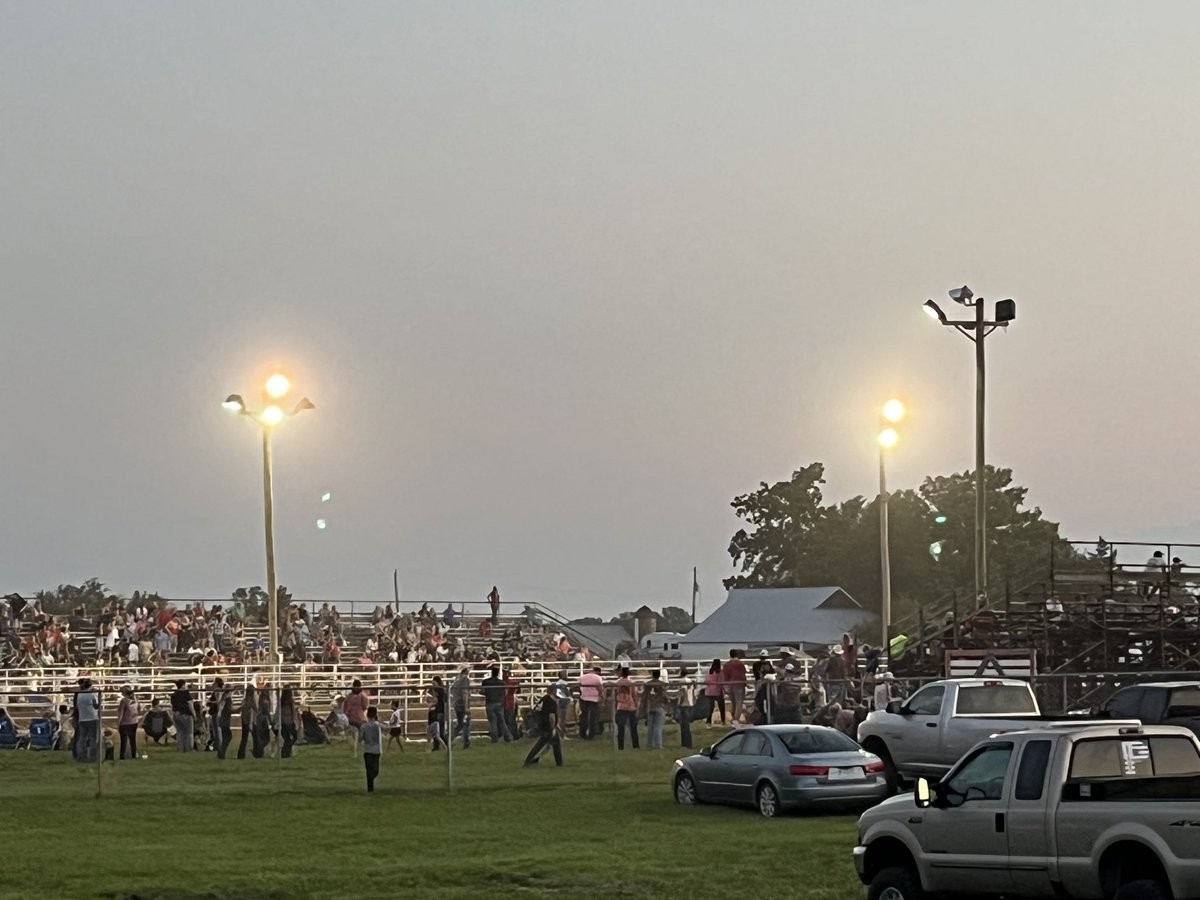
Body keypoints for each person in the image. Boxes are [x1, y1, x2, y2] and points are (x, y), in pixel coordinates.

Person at [522, 682, 563, 767]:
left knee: (555, 743)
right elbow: (551, 717)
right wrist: (553, 728)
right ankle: (529, 760)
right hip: (546, 724)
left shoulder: (544, 698)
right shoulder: (551, 701)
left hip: (539, 721)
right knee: (542, 742)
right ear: (554, 692)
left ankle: (559, 763)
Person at [639, 669, 670, 749]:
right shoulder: (662, 684)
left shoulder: (647, 684)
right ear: (659, 675)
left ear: (652, 675)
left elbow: (644, 696)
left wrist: (643, 706)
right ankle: (658, 744)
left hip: (650, 707)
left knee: (650, 727)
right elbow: (665, 695)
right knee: (657, 727)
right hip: (659, 706)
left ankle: (649, 744)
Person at [481, 666, 512, 743]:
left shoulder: (486, 682)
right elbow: (505, 693)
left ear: (491, 673)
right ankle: (507, 736)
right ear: (498, 673)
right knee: (502, 721)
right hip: (498, 702)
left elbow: (482, 691)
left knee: (493, 721)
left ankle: (495, 738)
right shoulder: (502, 683)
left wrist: (486, 693)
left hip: (490, 702)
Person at [74, 678, 101, 763]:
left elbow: (77, 707)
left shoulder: (79, 694)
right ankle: (92, 757)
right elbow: (96, 706)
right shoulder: (92, 694)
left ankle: (81, 756)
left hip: (82, 718)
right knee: (93, 738)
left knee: (82, 738)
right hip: (92, 717)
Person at [614, 667, 640, 750]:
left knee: (621, 728)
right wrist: (636, 705)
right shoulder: (631, 683)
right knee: (633, 728)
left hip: (621, 706)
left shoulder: (618, 683)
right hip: (631, 706)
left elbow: (615, 695)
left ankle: (620, 746)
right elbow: (634, 695)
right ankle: (635, 745)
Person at [208, 677, 233, 759]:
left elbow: (219, 702)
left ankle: (219, 747)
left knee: (218, 730)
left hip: (217, 712)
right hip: (218, 713)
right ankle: (218, 746)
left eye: (214, 682)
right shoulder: (219, 692)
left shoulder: (219, 691)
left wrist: (210, 702)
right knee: (217, 730)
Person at [361, 706, 384, 792]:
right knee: (375, 770)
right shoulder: (377, 725)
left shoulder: (364, 726)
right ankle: (370, 789)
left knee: (369, 770)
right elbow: (387, 728)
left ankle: (370, 787)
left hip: (369, 750)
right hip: (376, 750)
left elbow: (360, 738)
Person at [578, 664, 603, 739]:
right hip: (594, 699)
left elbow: (579, 686)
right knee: (593, 717)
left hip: (583, 698)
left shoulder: (582, 677)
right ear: (598, 672)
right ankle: (591, 734)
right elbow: (600, 689)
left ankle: (582, 733)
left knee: (583, 716)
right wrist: (602, 697)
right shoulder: (598, 678)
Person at [116, 685, 141, 760]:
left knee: (124, 741)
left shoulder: (124, 701)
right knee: (132, 740)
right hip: (134, 722)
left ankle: (122, 756)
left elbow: (121, 713)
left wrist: (118, 723)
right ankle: (133, 755)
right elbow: (139, 710)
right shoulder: (135, 700)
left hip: (125, 723)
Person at [170, 679, 194, 753]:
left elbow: (172, 706)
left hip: (176, 714)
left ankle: (180, 749)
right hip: (185, 714)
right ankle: (189, 749)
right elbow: (190, 705)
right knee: (189, 732)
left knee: (180, 732)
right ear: (183, 685)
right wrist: (194, 714)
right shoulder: (186, 693)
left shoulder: (174, 695)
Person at [344, 679, 369, 749]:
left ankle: (357, 745)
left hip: (354, 717)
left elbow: (365, 706)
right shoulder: (361, 695)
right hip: (356, 718)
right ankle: (358, 744)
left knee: (358, 732)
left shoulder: (351, 696)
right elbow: (365, 706)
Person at [724, 650, 747, 724]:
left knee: (733, 702)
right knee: (739, 703)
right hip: (739, 684)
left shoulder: (726, 664)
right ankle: (736, 719)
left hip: (730, 685)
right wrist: (745, 683)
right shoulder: (740, 664)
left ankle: (734, 718)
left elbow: (725, 676)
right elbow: (743, 675)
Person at [450, 668, 471, 749]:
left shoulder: (456, 680)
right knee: (466, 723)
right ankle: (466, 742)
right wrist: (466, 707)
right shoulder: (465, 679)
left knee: (460, 724)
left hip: (456, 704)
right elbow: (465, 692)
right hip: (462, 704)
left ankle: (450, 738)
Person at [675, 669, 696, 748]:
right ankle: (688, 743)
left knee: (684, 725)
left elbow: (683, 692)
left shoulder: (682, 681)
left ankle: (685, 743)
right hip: (690, 704)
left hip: (684, 704)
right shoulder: (690, 681)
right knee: (687, 725)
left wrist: (679, 703)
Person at [426, 680, 447, 752]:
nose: (433, 685)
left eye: (434, 683)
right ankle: (440, 746)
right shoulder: (440, 690)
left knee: (438, 734)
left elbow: (436, 699)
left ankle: (444, 745)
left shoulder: (440, 690)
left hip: (437, 716)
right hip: (434, 718)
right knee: (437, 735)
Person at [237, 685, 257, 759]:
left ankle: (241, 754)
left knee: (244, 738)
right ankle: (256, 752)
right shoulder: (251, 700)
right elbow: (255, 709)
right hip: (249, 720)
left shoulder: (244, 700)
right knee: (254, 737)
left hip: (244, 720)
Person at [704, 660, 726, 725]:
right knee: (721, 706)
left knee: (710, 707)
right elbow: (722, 681)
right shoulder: (720, 672)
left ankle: (708, 721)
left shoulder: (710, 672)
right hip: (718, 691)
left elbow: (706, 681)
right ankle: (723, 720)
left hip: (709, 692)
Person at [279, 687, 298, 758]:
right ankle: (285, 751)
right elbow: (293, 711)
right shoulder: (290, 701)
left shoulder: (281, 701)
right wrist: (295, 721)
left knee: (287, 738)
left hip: (283, 721)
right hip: (289, 721)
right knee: (294, 737)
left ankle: (286, 752)